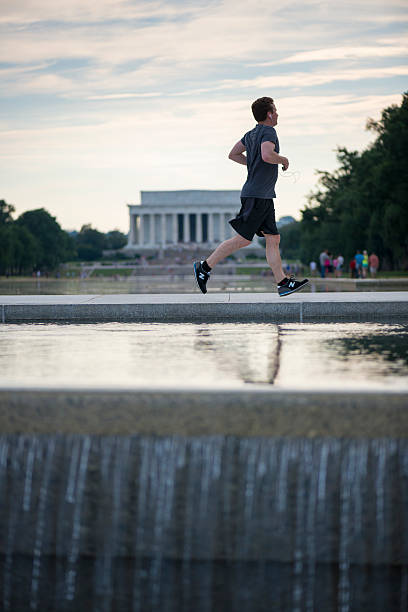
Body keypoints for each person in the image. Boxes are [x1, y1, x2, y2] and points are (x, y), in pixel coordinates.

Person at [193, 97, 308, 297]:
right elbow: (266, 155)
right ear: (270, 114)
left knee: (273, 238)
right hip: (257, 195)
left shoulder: (251, 134)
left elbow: (233, 154)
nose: (278, 114)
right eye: (276, 110)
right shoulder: (269, 131)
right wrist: (283, 159)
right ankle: (204, 267)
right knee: (243, 240)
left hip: (261, 195)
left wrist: (252, 163)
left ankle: (282, 283)